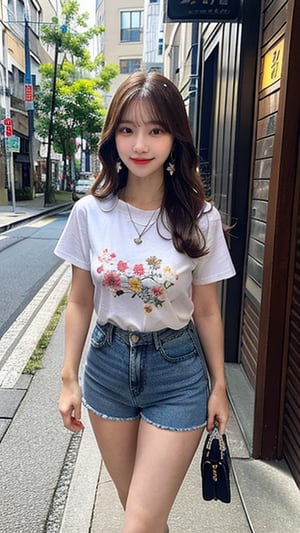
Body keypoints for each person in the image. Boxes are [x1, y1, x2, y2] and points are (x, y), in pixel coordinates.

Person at [54, 71, 236, 533]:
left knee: (139, 521)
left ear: (175, 138)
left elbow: (209, 310)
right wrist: (68, 378)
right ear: (112, 135)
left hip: (177, 371)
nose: (140, 143)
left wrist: (219, 385)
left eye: (156, 129)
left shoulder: (202, 219)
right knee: (142, 515)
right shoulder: (89, 212)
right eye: (127, 129)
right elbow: (79, 301)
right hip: (108, 367)